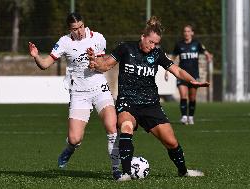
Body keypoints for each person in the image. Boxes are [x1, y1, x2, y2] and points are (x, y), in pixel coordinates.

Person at [87, 16, 209, 181]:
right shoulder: (125, 48)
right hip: (128, 102)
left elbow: (177, 71)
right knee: (126, 126)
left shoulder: (157, 54)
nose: (152, 46)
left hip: (151, 104)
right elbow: (106, 65)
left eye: (156, 43)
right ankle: (125, 173)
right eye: (150, 42)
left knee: (171, 142)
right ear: (143, 36)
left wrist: (192, 80)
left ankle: (183, 171)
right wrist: (95, 62)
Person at [28, 12, 120, 179]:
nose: (79, 31)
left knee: (112, 127)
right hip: (79, 93)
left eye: (81, 27)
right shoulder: (64, 42)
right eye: (74, 29)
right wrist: (36, 57)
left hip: (99, 89)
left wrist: (94, 62)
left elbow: (102, 65)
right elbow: (45, 64)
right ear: (69, 29)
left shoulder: (98, 38)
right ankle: (69, 150)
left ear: (84, 24)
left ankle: (116, 170)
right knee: (74, 138)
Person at [165, 25, 213, 125]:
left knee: (192, 98)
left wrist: (208, 56)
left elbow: (205, 52)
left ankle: (190, 117)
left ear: (192, 33)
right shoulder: (179, 45)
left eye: (188, 31)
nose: (186, 33)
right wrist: (167, 70)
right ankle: (183, 117)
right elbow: (173, 58)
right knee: (183, 95)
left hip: (194, 75)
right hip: (182, 75)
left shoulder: (197, 44)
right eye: (185, 31)